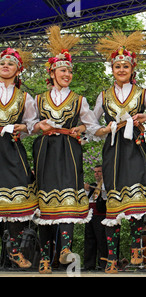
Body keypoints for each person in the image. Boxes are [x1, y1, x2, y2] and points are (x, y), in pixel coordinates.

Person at [30, 26, 101, 274]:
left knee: (68, 198)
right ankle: (45, 257)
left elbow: (92, 126)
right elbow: (29, 126)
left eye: (70, 70)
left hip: (69, 150)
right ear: (52, 72)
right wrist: (39, 124)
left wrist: (81, 128)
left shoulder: (79, 99)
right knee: (45, 202)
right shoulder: (38, 99)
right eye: (63, 70)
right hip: (46, 151)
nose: (67, 74)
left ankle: (65, 249)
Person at [94, 30, 146, 274]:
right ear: (112, 69)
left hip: (135, 147)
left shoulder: (144, 93)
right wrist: (107, 127)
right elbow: (92, 126)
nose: (121, 69)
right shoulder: (103, 96)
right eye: (117, 66)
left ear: (133, 69)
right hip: (113, 149)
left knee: (136, 199)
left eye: (126, 65)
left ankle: (134, 249)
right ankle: (112, 258)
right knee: (114, 203)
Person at [0, 47, 38, 268]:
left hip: (12, 149)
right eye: (2, 62)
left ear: (18, 70)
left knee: (18, 198)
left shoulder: (24, 97)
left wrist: (17, 126)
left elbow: (33, 125)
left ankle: (14, 249)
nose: (5, 66)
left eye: (10, 63)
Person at [83, 164, 107, 271]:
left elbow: (105, 196)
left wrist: (101, 187)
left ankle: (103, 264)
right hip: (90, 216)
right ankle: (89, 264)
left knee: (102, 240)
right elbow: (86, 198)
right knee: (89, 240)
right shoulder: (92, 186)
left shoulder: (105, 185)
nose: (96, 174)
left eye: (99, 171)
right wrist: (87, 189)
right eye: (95, 172)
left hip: (101, 216)